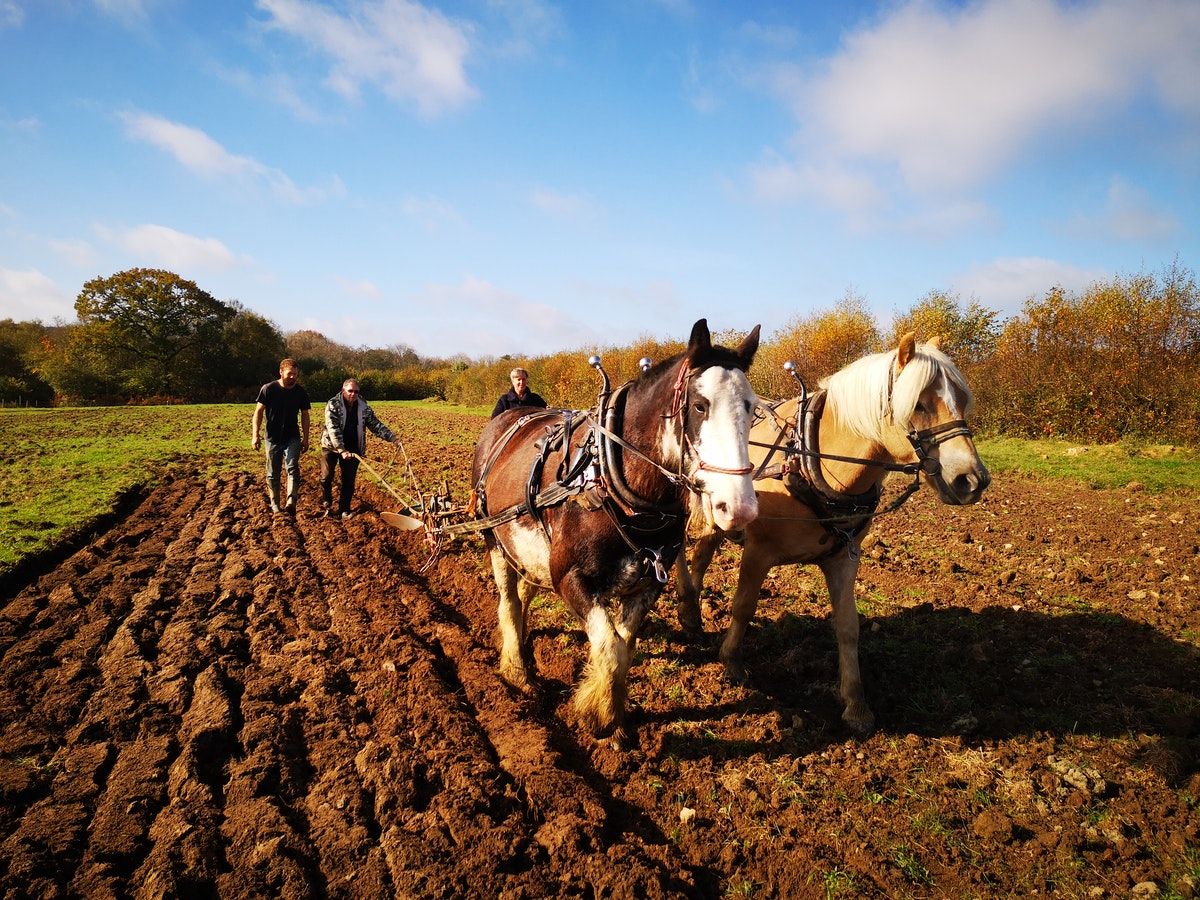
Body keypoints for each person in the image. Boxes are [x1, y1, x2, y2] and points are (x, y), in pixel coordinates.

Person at [319, 378, 402, 519]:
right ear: (343, 390)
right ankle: (326, 498)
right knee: (327, 476)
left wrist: (393, 438)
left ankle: (344, 509)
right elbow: (333, 428)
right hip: (331, 447)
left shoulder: (364, 407)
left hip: (354, 447)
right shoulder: (333, 404)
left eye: (356, 392)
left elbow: (375, 424)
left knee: (349, 480)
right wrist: (341, 449)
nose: (353, 394)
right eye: (350, 391)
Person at [252, 358, 311, 515]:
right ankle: (275, 503)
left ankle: (291, 500)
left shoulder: (300, 392)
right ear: (281, 372)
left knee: (292, 466)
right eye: (290, 373)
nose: (293, 377)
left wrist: (306, 438)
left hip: (292, 436)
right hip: (272, 437)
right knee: (273, 472)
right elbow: (258, 412)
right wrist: (255, 435)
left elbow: (305, 415)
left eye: (295, 374)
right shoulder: (269, 389)